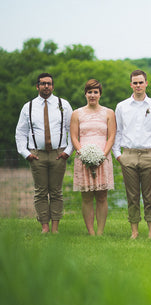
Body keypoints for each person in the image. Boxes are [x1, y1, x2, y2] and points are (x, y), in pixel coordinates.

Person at [15, 73, 73, 234]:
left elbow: (72, 130)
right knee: (40, 192)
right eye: (42, 83)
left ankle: (55, 228)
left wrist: (68, 151)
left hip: (58, 154)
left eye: (49, 83)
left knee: (56, 192)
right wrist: (26, 153)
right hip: (37, 155)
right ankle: (44, 227)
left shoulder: (64, 104)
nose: (46, 86)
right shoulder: (28, 107)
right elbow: (20, 132)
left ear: (53, 86)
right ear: (37, 86)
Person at [113, 70, 151, 239]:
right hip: (128, 155)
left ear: (146, 83)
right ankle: (134, 231)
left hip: (149, 154)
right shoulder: (122, 106)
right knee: (132, 196)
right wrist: (117, 154)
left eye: (140, 82)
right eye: (135, 83)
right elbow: (118, 131)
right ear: (131, 85)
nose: (138, 86)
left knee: (149, 196)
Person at [70, 79, 116, 236]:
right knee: (87, 197)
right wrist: (83, 154)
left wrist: (103, 156)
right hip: (83, 158)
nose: (92, 95)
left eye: (95, 92)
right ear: (85, 94)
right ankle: (91, 232)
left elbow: (111, 136)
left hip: (103, 158)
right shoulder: (77, 114)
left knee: (102, 196)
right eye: (89, 92)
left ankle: (100, 232)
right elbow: (74, 137)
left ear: (100, 94)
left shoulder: (109, 113)